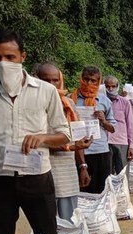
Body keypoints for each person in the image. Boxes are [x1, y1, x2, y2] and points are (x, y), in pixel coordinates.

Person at [0, 29, 70, 234]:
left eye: (10, 57)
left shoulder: (45, 91)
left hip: (36, 178)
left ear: (22, 57)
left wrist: (43, 137)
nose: (4, 63)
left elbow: (64, 135)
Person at [36, 62, 93, 219]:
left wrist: (82, 166)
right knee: (46, 220)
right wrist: (70, 147)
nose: (52, 85)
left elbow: (78, 137)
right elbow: (38, 140)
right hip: (43, 168)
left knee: (69, 218)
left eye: (55, 80)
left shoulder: (69, 104)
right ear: (36, 80)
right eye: (46, 81)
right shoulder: (32, 104)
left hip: (67, 170)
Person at [70, 66, 116, 193]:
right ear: (81, 79)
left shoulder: (104, 100)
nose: (89, 83)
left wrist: (103, 120)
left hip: (101, 150)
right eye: (86, 79)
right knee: (83, 191)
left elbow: (112, 128)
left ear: (98, 82)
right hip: (79, 152)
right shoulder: (71, 100)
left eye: (93, 80)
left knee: (102, 191)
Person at [105, 75, 133, 174]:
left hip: (121, 141)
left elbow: (130, 125)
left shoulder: (125, 103)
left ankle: (123, 190)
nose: (110, 89)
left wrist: (131, 146)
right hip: (105, 142)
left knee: (121, 172)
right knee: (107, 173)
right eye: (108, 86)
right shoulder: (100, 101)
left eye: (113, 86)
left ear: (117, 86)